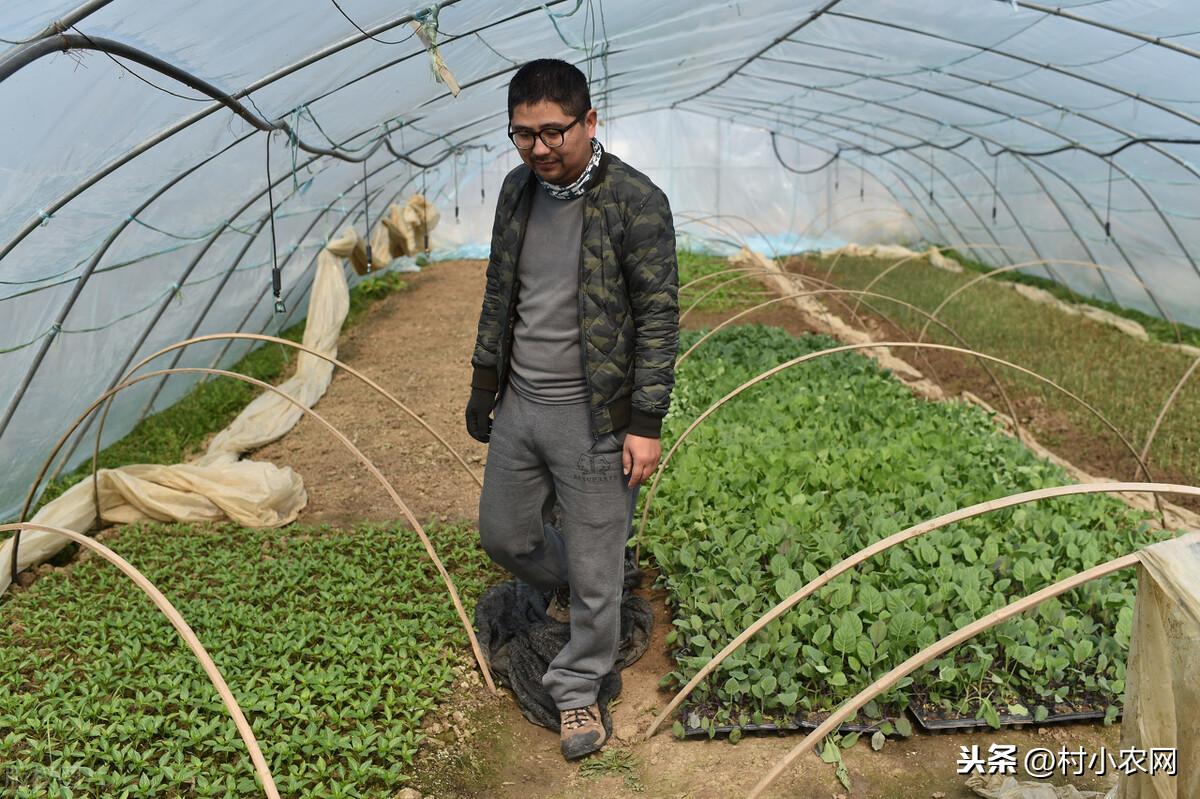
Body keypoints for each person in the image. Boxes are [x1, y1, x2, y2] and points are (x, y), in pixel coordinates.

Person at [465, 59, 678, 760]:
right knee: (505, 534)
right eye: (523, 134)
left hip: (595, 417)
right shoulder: (516, 193)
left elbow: (657, 316)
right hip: (523, 404)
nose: (540, 148)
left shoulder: (635, 203)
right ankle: (586, 585)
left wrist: (644, 424)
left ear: (590, 122)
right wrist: (484, 383)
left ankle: (579, 685)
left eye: (554, 131)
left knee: (595, 553)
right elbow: (501, 292)